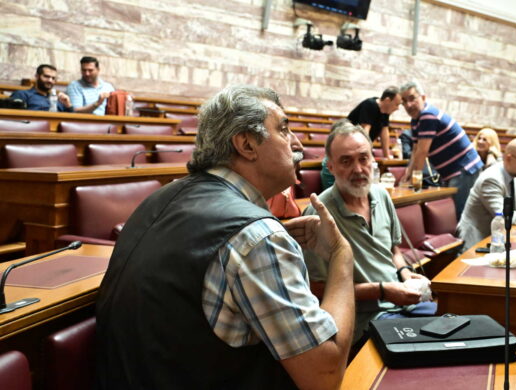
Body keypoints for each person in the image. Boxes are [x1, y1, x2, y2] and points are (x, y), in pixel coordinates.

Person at [95, 86, 355, 390]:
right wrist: (341, 254)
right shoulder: (255, 237)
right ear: (246, 144)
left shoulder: (159, 199)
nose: (296, 143)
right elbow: (324, 375)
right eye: (284, 129)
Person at [303, 121, 435, 347]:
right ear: (330, 167)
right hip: (364, 321)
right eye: (346, 161)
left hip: (403, 305)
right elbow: (317, 289)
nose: (358, 169)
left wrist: (405, 274)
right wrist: (382, 291)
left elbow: (393, 250)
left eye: (363, 158)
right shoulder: (319, 215)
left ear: (373, 160)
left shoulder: (381, 195)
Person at [399, 81, 483, 218]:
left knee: (459, 214)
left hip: (464, 169)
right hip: (456, 171)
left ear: (423, 98)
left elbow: (422, 152)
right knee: (454, 213)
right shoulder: (416, 120)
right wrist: (407, 175)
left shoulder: (428, 115)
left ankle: (465, 240)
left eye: (412, 98)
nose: (408, 105)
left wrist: (414, 181)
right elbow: (415, 150)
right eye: (404, 101)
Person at [456, 138, 516, 250]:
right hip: (476, 241)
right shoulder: (491, 179)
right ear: (509, 158)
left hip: (496, 239)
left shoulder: (515, 176)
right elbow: (503, 216)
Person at [347, 86, 402, 159]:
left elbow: (384, 133)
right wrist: (368, 154)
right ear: (387, 100)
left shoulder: (385, 112)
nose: (398, 108)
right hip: (349, 145)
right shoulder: (370, 105)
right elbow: (365, 131)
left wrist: (387, 156)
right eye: (397, 104)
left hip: (359, 147)